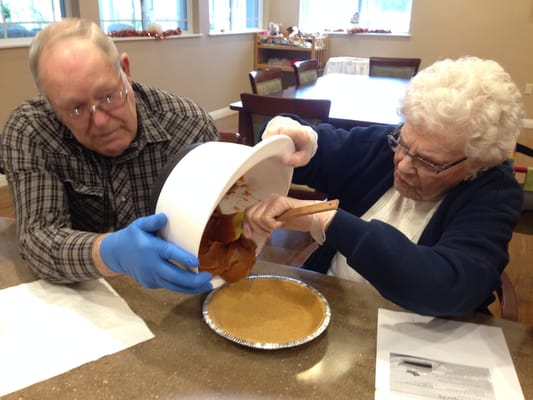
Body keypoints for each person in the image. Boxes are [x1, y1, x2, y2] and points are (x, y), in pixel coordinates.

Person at [243, 56, 525, 317]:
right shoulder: (384, 146)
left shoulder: (495, 193)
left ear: (476, 164)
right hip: (334, 309)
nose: (402, 165)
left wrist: (325, 220)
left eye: (427, 162)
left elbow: (446, 288)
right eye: (402, 142)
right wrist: (289, 134)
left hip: (417, 336)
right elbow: (316, 148)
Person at [0, 18, 219, 293]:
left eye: (108, 96)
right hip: (87, 300)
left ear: (125, 71)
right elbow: (38, 240)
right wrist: (108, 253)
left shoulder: (188, 126)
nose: (101, 121)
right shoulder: (32, 131)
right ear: (50, 103)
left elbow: (224, 218)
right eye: (76, 109)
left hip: (179, 291)